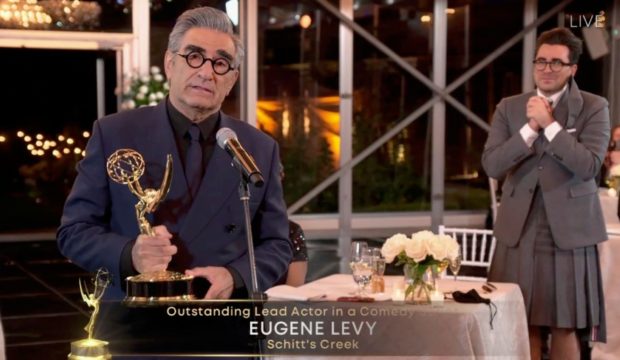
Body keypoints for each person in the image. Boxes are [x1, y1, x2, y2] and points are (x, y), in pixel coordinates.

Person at [57, 6, 291, 302]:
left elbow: (278, 244)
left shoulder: (259, 149)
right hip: (137, 323)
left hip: (218, 323)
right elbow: (74, 232)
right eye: (194, 57)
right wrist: (130, 254)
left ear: (232, 79)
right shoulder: (114, 134)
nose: (206, 72)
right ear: (170, 63)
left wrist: (238, 275)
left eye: (220, 63)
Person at [482, 28, 609, 360]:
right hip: (518, 229)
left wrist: (550, 125)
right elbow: (492, 165)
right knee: (521, 322)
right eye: (541, 60)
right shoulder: (509, 108)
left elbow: (589, 167)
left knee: (563, 323)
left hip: (568, 231)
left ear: (573, 69)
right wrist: (529, 129)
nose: (547, 68)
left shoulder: (595, 107)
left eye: (556, 62)